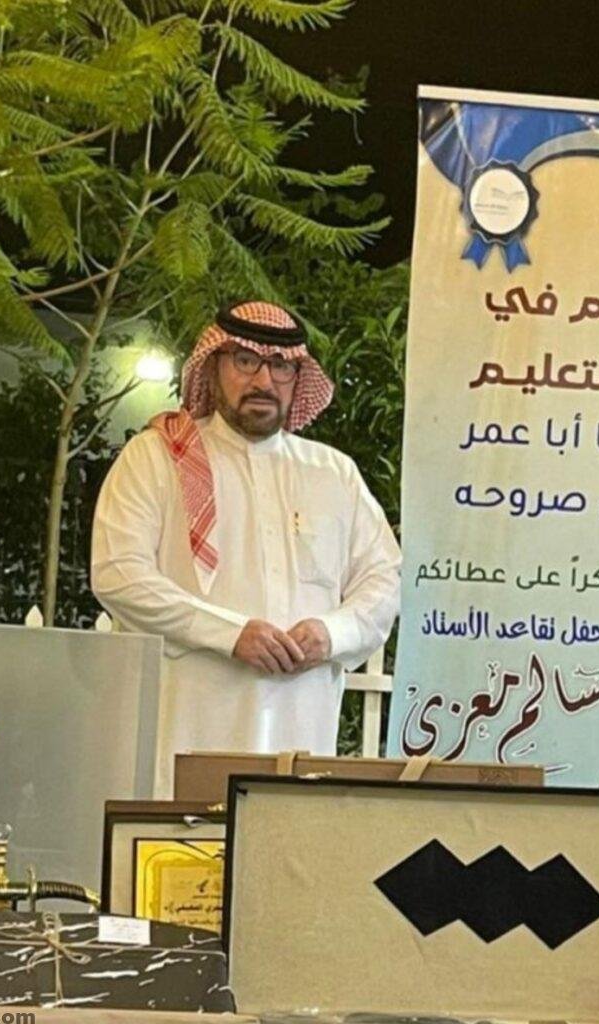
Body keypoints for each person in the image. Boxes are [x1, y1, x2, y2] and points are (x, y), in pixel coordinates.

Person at [91, 300, 401, 794]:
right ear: (213, 366)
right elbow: (118, 573)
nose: (263, 380)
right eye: (245, 361)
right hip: (186, 738)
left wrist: (331, 633)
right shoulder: (157, 458)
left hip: (301, 743)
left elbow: (383, 581)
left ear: (298, 377)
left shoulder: (333, 473)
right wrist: (232, 634)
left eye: (280, 366)